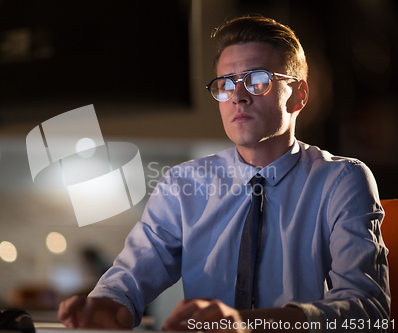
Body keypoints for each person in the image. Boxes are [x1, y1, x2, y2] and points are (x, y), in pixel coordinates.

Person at [58, 16, 390, 332]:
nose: (238, 96)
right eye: (225, 84)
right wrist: (109, 303)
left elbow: (369, 313)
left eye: (257, 80)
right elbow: (130, 275)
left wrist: (252, 325)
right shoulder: (181, 184)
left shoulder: (342, 180)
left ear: (299, 95)